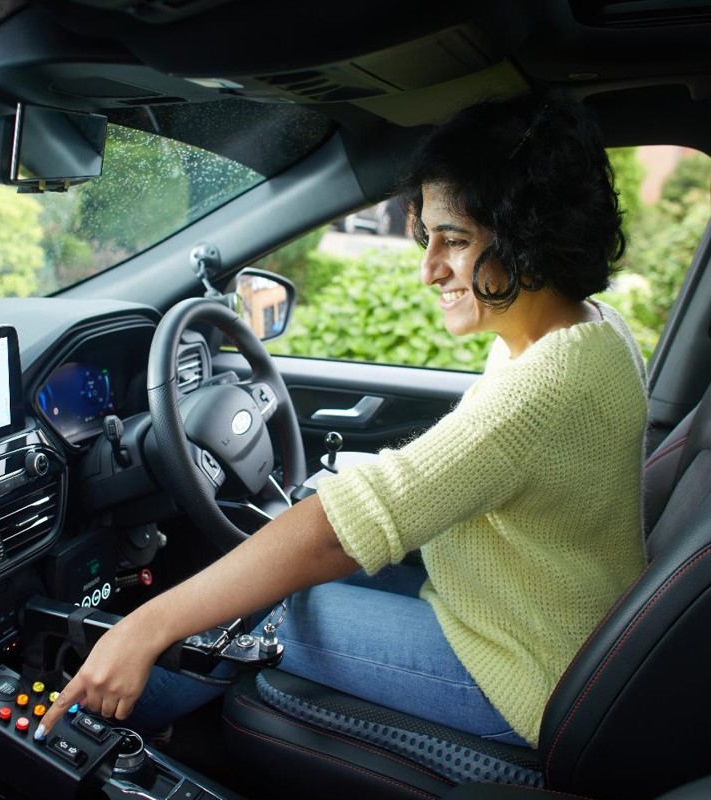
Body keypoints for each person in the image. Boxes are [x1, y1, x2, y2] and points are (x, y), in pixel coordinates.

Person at [35, 90, 648, 749]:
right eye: (427, 237)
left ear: (530, 238)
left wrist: (143, 627)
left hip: (530, 675)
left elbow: (336, 531)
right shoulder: (590, 331)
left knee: (266, 613)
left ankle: (78, 740)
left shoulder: (546, 384)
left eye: (455, 240)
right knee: (271, 569)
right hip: (535, 622)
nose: (428, 269)